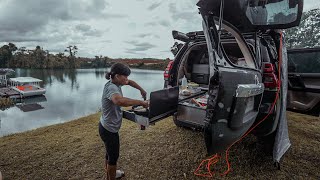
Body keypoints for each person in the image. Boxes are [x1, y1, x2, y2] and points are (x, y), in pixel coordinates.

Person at [99, 63, 148, 180]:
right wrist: (141, 102)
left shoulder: (117, 82)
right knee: (113, 156)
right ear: (117, 76)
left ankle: (110, 174)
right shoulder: (111, 87)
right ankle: (111, 177)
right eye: (124, 76)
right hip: (108, 129)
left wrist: (141, 90)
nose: (127, 79)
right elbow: (119, 101)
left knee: (109, 154)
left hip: (106, 126)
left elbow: (130, 82)